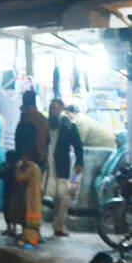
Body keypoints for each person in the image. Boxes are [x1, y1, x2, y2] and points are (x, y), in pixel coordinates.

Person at [44, 97, 84, 237]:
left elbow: (78, 146)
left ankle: (59, 226)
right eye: (52, 108)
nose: (53, 111)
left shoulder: (68, 126)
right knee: (49, 196)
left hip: (61, 166)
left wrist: (80, 163)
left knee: (63, 197)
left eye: (56, 108)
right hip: (46, 166)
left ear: (61, 110)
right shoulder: (45, 125)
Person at [14, 90, 49, 177]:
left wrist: (23, 156)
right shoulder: (42, 119)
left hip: (28, 160)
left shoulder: (27, 119)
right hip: (41, 159)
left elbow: (25, 139)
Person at [14, 147, 44, 248]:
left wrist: (18, 168)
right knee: (30, 219)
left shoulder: (31, 167)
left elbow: (19, 178)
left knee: (30, 220)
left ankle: (30, 240)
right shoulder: (37, 167)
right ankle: (29, 238)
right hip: (34, 196)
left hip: (31, 196)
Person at [0, 149, 20, 239]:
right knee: (9, 209)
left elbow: (1, 175)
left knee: (10, 210)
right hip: (10, 192)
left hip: (12, 192)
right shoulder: (7, 166)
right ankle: (11, 228)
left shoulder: (15, 168)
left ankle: (12, 228)